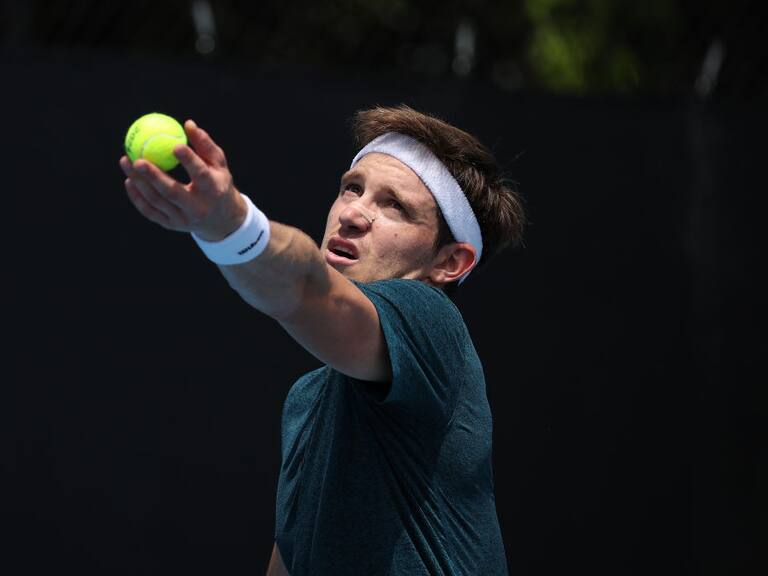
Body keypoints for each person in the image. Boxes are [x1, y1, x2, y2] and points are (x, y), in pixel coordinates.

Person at [119, 105, 525, 575]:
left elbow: (309, 290)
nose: (353, 213)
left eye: (394, 205)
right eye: (352, 188)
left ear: (450, 262)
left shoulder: (433, 322)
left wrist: (229, 226)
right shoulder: (306, 400)